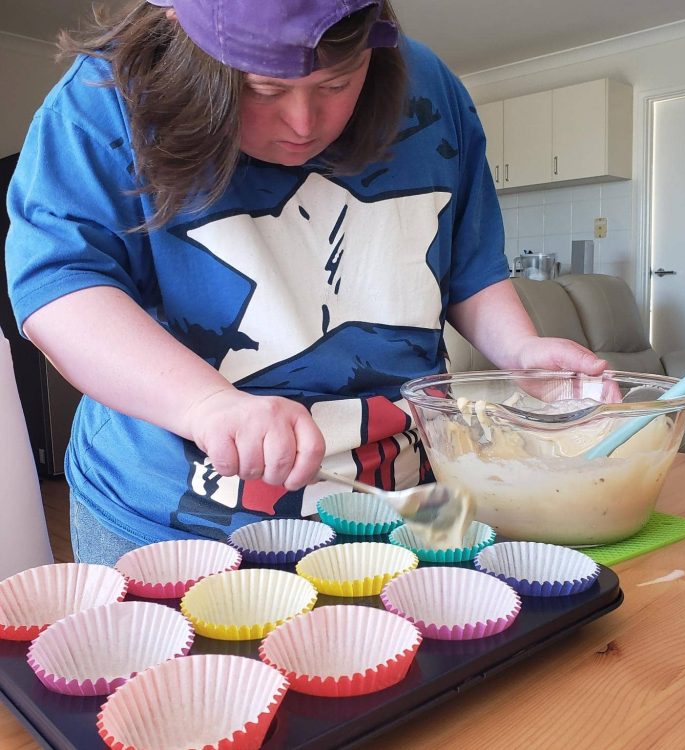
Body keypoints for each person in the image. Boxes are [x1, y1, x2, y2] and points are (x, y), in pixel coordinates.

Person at [5, 0, 606, 565]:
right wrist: (207, 404)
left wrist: (520, 350)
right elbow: (61, 289)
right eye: (261, 88)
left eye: (337, 85)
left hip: (415, 497)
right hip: (176, 516)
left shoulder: (431, 87)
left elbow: (469, 269)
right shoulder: (106, 97)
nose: (302, 122)